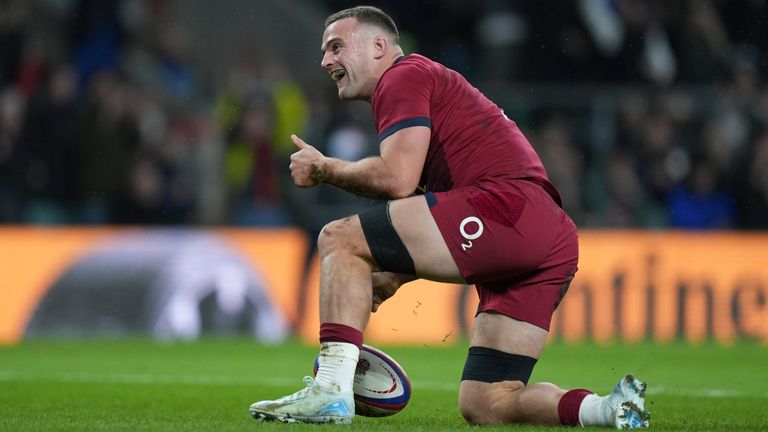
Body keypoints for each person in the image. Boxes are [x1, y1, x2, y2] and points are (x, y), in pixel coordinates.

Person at [249, 6, 650, 429]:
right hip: (549, 237)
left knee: (338, 237)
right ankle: (609, 410)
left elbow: (397, 180)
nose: (325, 61)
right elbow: (436, 210)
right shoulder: (423, 88)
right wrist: (394, 274)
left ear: (379, 46)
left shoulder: (401, 76)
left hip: (505, 208)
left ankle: (329, 390)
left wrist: (324, 168)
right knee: (488, 402)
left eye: (336, 46)